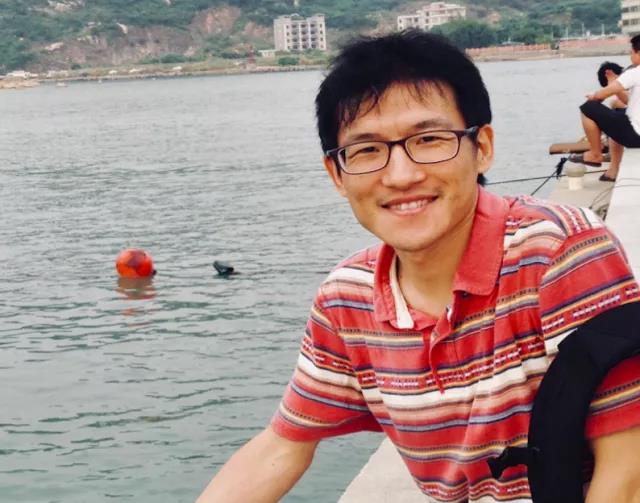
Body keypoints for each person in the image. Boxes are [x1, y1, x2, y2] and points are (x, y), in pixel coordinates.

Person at [196, 31, 640, 503]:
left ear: (482, 146)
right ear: (336, 175)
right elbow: (283, 447)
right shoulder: (347, 297)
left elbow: (628, 470)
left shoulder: (560, 252)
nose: (401, 175)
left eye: (429, 139)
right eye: (366, 150)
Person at [573, 36, 640, 181]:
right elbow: (630, 102)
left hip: (636, 137)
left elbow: (601, 94)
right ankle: (613, 171)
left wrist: (595, 96)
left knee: (587, 107)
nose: (630, 56)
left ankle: (595, 154)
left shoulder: (635, 72)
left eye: (632, 52)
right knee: (618, 116)